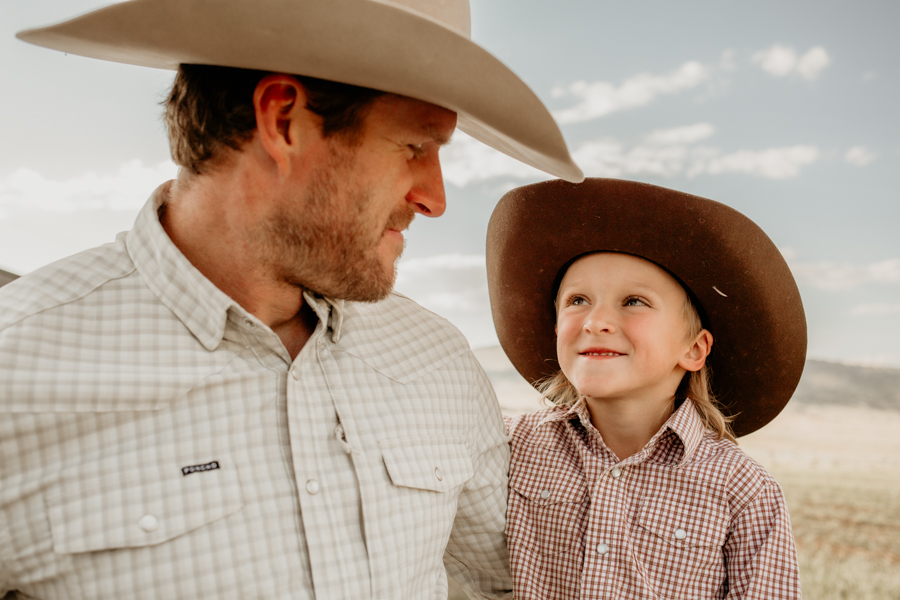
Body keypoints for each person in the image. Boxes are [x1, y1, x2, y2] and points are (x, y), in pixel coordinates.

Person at [0, 1, 584, 598]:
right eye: (414, 148)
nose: (434, 198)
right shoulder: (13, 374)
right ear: (282, 121)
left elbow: (503, 585)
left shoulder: (436, 358)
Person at [486, 178, 806, 599]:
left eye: (634, 301)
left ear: (693, 349)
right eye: (577, 300)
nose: (595, 321)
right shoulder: (511, 446)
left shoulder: (742, 490)